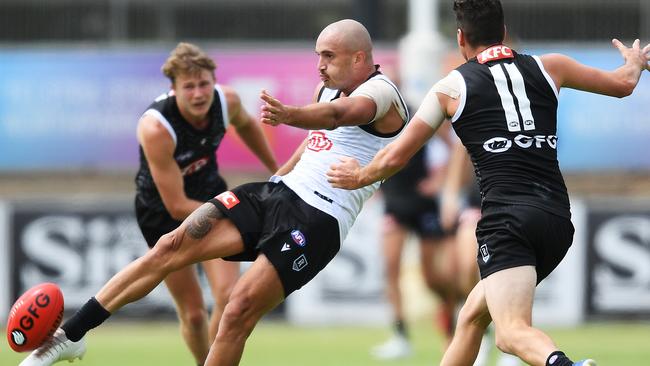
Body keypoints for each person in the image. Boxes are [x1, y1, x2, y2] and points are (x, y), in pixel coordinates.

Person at [20, 19, 409, 366]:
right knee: (168, 247)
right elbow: (313, 144)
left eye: (328, 56)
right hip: (277, 195)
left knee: (236, 311)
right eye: (317, 55)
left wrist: (289, 114)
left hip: (317, 220)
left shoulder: (382, 92)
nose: (320, 64)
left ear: (359, 57)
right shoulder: (327, 89)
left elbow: (342, 115)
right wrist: (276, 177)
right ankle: (67, 338)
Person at [327, 1, 650, 365]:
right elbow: (623, 85)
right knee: (471, 317)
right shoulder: (550, 66)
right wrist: (634, 62)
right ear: (504, 31)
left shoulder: (451, 87)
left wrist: (359, 176)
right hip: (557, 220)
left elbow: (396, 156)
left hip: (508, 224)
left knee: (510, 334)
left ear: (461, 37)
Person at [132, 42, 278, 366]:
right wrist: (235, 213)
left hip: (213, 195)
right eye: (189, 87)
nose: (199, 93)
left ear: (214, 82)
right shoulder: (156, 127)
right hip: (163, 216)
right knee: (195, 315)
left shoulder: (228, 101)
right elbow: (176, 205)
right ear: (173, 90)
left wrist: (276, 171)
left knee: (229, 297)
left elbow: (246, 124)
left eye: (204, 84)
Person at [371, 133, 459, 360]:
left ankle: (453, 328)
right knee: (390, 270)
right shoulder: (373, 114)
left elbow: (455, 147)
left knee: (432, 277)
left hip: (423, 206)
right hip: (394, 205)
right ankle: (401, 337)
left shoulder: (417, 113)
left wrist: (440, 180)